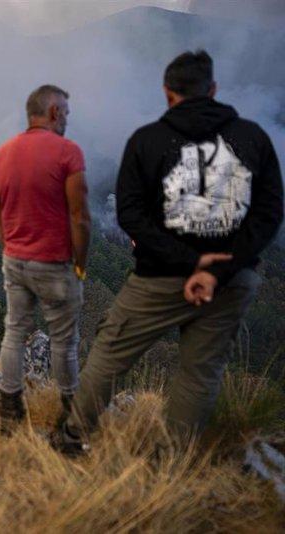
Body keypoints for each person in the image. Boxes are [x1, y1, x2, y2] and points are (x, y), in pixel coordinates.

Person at [59, 50, 283, 454]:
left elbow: (130, 214)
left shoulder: (148, 141)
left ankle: (73, 439)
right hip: (230, 281)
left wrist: (189, 261)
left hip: (159, 278)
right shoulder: (252, 138)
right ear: (213, 89)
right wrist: (219, 268)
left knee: (110, 352)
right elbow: (269, 213)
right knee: (200, 372)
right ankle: (172, 462)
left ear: (167, 93)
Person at [0, 84, 91, 424]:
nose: (67, 119)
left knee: (14, 331)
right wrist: (80, 264)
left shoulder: (1, 154)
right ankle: (70, 409)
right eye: (66, 113)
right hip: (55, 264)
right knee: (64, 341)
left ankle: (9, 406)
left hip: (15, 261)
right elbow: (79, 215)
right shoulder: (68, 152)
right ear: (53, 112)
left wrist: (8, 247)